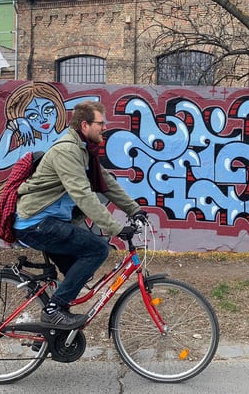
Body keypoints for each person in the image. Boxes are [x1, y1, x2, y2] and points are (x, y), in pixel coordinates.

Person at [13, 100, 147, 329]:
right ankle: (53, 311)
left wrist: (134, 209)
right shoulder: (67, 151)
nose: (104, 127)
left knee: (77, 275)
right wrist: (115, 228)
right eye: (100, 123)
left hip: (50, 222)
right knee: (97, 249)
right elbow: (82, 195)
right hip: (36, 222)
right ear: (84, 125)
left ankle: (51, 333)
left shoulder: (84, 152)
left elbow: (107, 184)